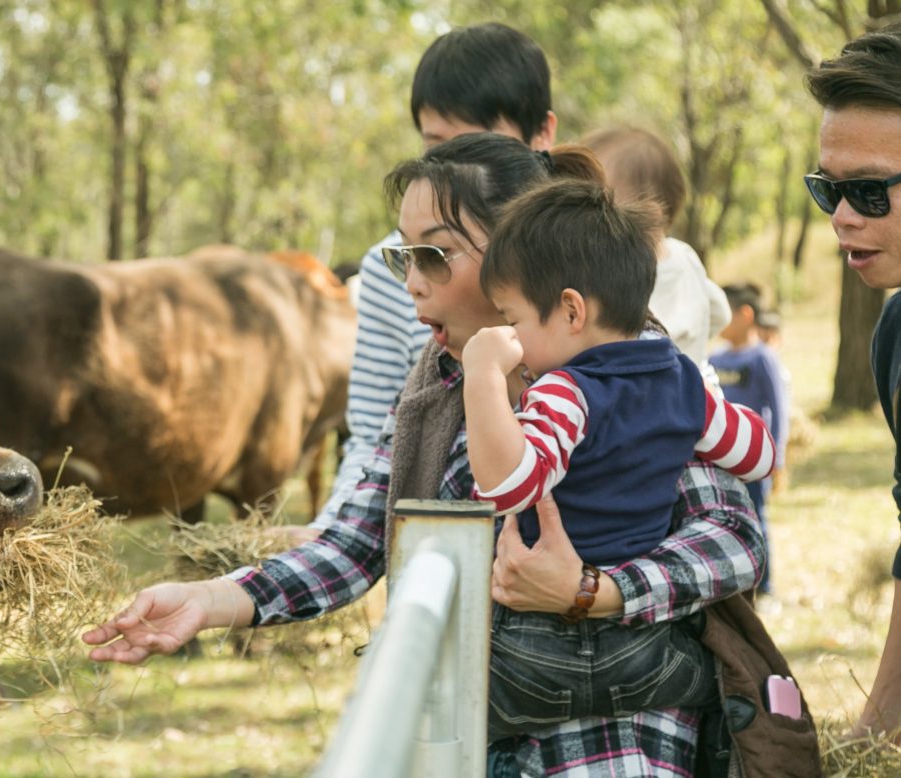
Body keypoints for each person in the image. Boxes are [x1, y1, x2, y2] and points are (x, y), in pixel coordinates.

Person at [84, 133, 765, 775]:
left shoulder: (643, 373)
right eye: (403, 255)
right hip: (465, 735)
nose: (412, 281)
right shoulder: (435, 385)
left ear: (515, 258)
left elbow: (735, 540)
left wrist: (595, 592)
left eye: (434, 255)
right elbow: (354, 544)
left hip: (616, 738)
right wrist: (207, 599)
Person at [462, 179, 775, 734]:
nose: (509, 339)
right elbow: (758, 456)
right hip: (647, 649)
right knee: (696, 681)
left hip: (541, 648)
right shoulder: (682, 379)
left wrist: (482, 375)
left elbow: (510, 485)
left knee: (448, 692)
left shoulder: (565, 392)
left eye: (512, 322)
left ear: (571, 311)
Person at [308, 23, 558, 539]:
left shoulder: (601, 288)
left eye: (477, 144)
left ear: (541, 137)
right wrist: (335, 530)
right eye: (436, 147)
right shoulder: (390, 274)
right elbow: (381, 440)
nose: (415, 281)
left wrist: (596, 592)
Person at [802, 22, 901, 741]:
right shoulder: (895, 334)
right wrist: (875, 737)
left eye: (868, 192)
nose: (841, 218)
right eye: (827, 190)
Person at [582, 126, 731, 373]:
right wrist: (696, 348)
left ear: (650, 211)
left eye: (594, 201)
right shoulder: (685, 255)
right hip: (690, 387)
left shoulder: (619, 274)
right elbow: (721, 312)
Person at [709, 284, 790, 594]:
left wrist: (777, 458)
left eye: (725, 312)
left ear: (745, 314)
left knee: (757, 518)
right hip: (720, 461)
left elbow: (779, 410)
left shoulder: (762, 358)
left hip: (755, 462)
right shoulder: (714, 359)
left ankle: (764, 585)